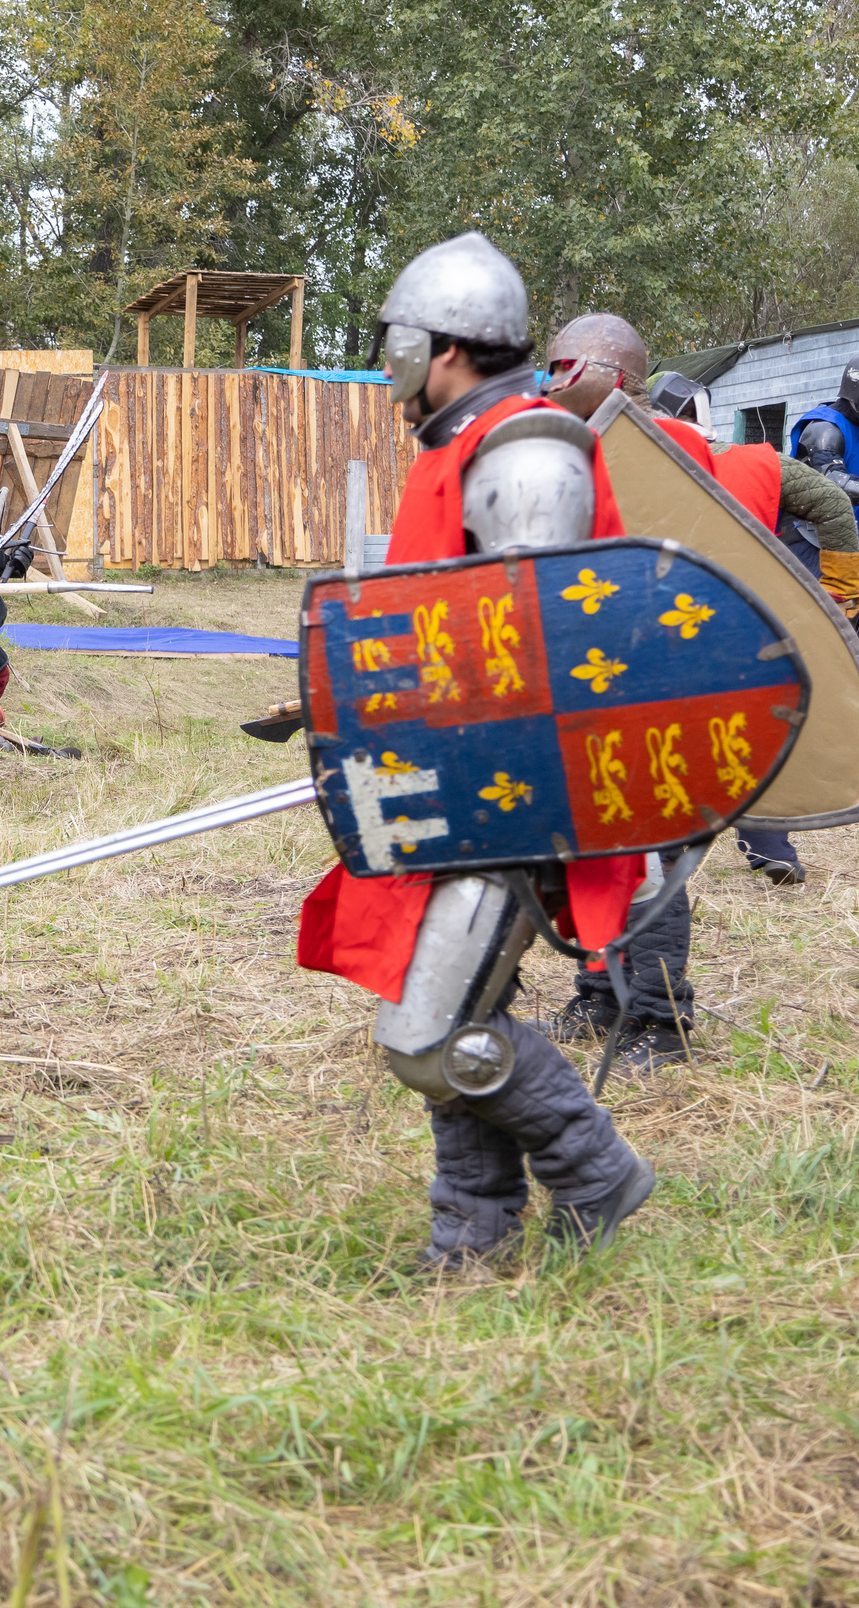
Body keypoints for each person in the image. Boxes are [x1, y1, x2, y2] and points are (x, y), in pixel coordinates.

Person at [295, 232, 654, 1272]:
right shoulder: (467, 441)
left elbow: (536, 641)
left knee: (427, 1030)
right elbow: (441, 622)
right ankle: (472, 1237)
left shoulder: (523, 449)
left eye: (399, 344)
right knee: (465, 1005)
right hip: (457, 778)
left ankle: (591, 1165)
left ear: (443, 344)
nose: (391, 365)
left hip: (508, 791)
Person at [536, 317, 694, 1066]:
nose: (552, 379)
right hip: (593, 685)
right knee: (592, 849)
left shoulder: (675, 452)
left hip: (662, 688)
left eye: (567, 366)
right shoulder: (570, 453)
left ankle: (661, 1017)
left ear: (618, 376)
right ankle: (601, 994)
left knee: (649, 855)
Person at [643, 370, 859, 885]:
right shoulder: (757, 464)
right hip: (745, 622)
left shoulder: (629, 468)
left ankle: (670, 851)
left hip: (664, 624)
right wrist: (841, 595)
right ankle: (771, 849)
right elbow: (833, 504)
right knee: (743, 733)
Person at [788, 351, 859, 577]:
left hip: (854, 530)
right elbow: (833, 481)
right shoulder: (823, 427)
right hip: (812, 540)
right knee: (825, 607)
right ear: (855, 394)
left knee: (858, 605)